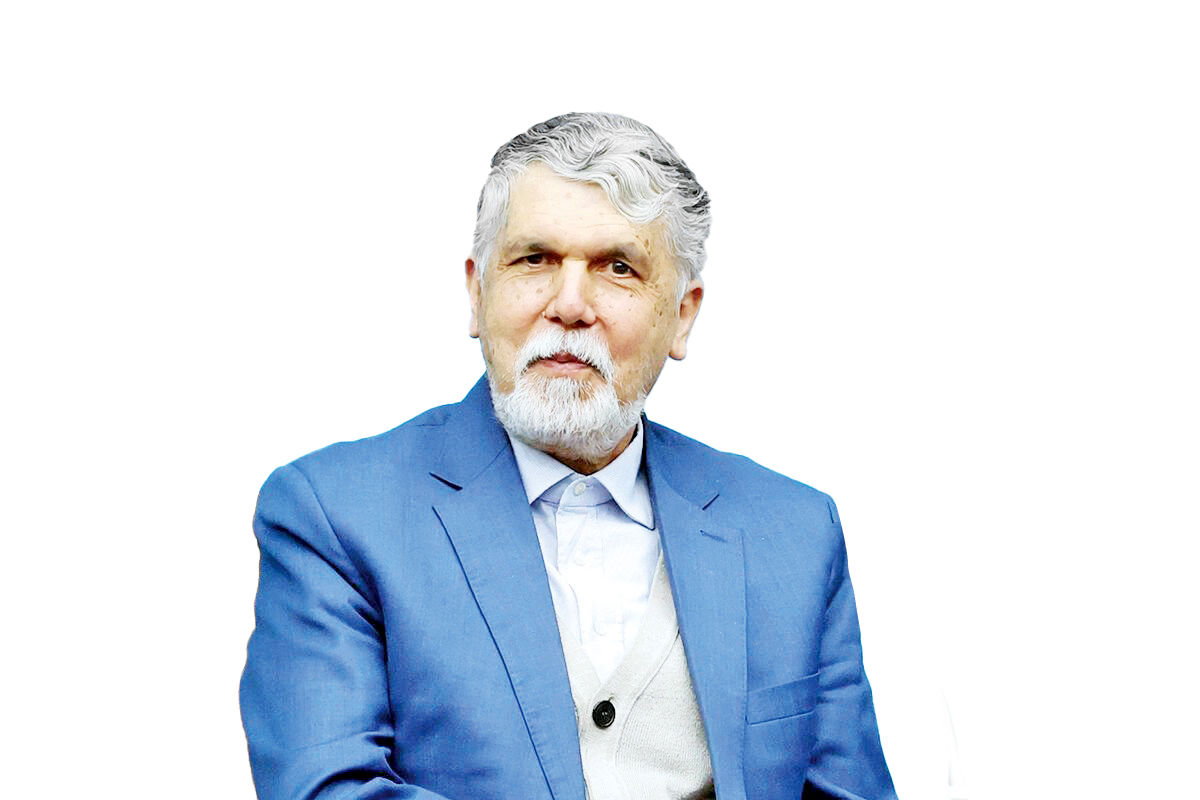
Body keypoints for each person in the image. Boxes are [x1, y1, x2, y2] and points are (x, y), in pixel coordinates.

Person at [240, 112, 896, 800]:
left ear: (683, 315)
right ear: (476, 293)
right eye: (535, 260)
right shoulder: (334, 514)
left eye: (618, 268)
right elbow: (329, 789)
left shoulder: (795, 531)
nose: (570, 304)